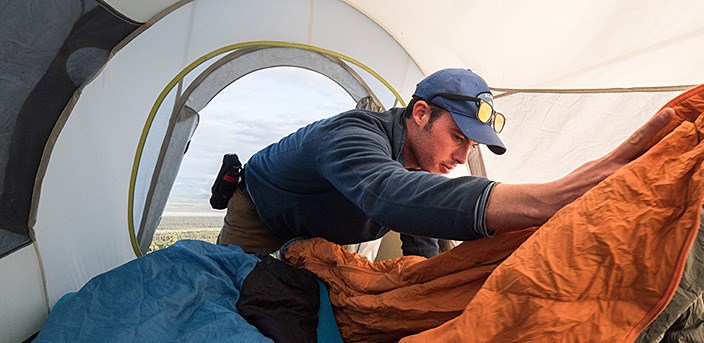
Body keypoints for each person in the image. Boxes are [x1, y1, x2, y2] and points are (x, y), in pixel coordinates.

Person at [217, 68, 674, 257]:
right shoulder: (350, 135)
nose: (462, 156)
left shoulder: (422, 164)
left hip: (326, 230)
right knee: (227, 300)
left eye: (472, 146)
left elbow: (423, 235)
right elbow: (390, 196)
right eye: (458, 137)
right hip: (261, 213)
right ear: (419, 114)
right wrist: (551, 198)